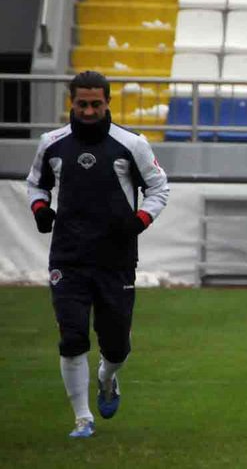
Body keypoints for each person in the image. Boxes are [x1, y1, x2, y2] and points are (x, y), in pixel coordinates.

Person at [26, 70, 170, 438]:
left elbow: (159, 188)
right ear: (71, 103)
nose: (88, 111)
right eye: (82, 104)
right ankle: (82, 418)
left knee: (116, 345)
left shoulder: (132, 144)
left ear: (107, 102)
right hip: (68, 258)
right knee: (72, 337)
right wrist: (40, 209)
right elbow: (36, 184)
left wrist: (140, 220)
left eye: (95, 104)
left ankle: (108, 378)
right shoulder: (51, 143)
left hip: (115, 259)